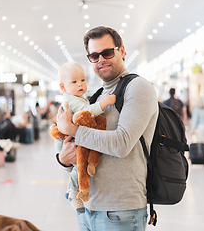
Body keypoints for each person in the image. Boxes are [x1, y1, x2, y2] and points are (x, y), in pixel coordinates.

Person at [55, 26, 158, 231]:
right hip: (88, 207)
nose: (101, 59)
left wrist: (74, 131)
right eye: (94, 55)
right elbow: (81, 146)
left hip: (120, 211)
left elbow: (121, 144)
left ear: (122, 51)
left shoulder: (137, 88)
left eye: (107, 52)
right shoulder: (98, 95)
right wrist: (63, 158)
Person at [54, 60, 116, 213]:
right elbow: (87, 111)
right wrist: (104, 103)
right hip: (66, 139)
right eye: (74, 81)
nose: (80, 84)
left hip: (70, 136)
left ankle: (73, 191)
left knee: (80, 163)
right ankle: (73, 192)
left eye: (83, 80)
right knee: (78, 164)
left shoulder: (76, 97)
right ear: (63, 87)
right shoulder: (70, 99)